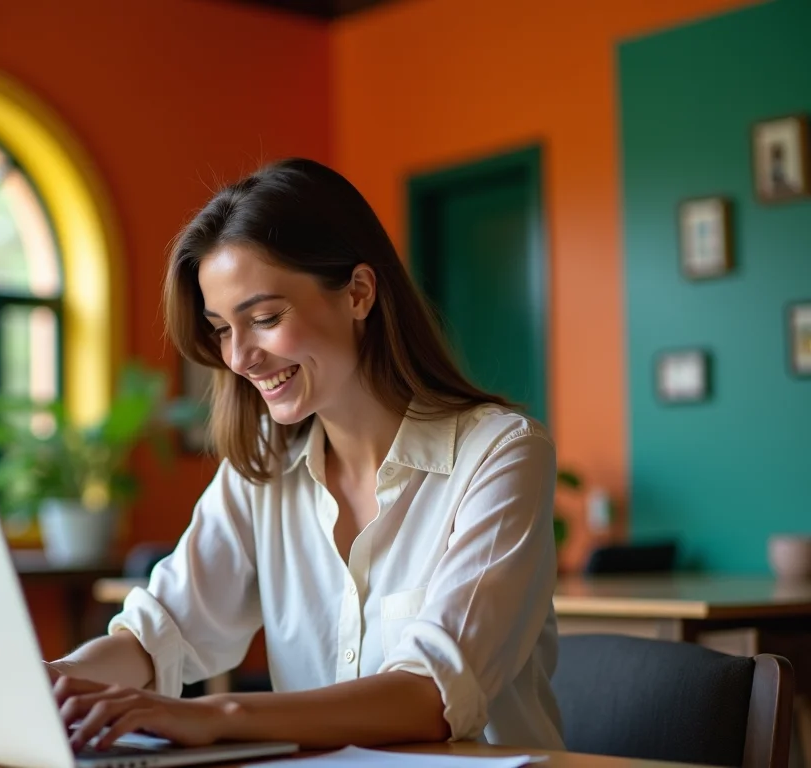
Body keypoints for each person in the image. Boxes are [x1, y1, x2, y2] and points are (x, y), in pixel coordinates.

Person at [44, 158, 564, 753]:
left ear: (359, 294)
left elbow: (430, 696)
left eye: (264, 318)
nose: (239, 358)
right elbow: (160, 631)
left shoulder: (500, 455)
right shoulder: (261, 471)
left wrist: (220, 714)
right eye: (220, 328)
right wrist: (55, 680)